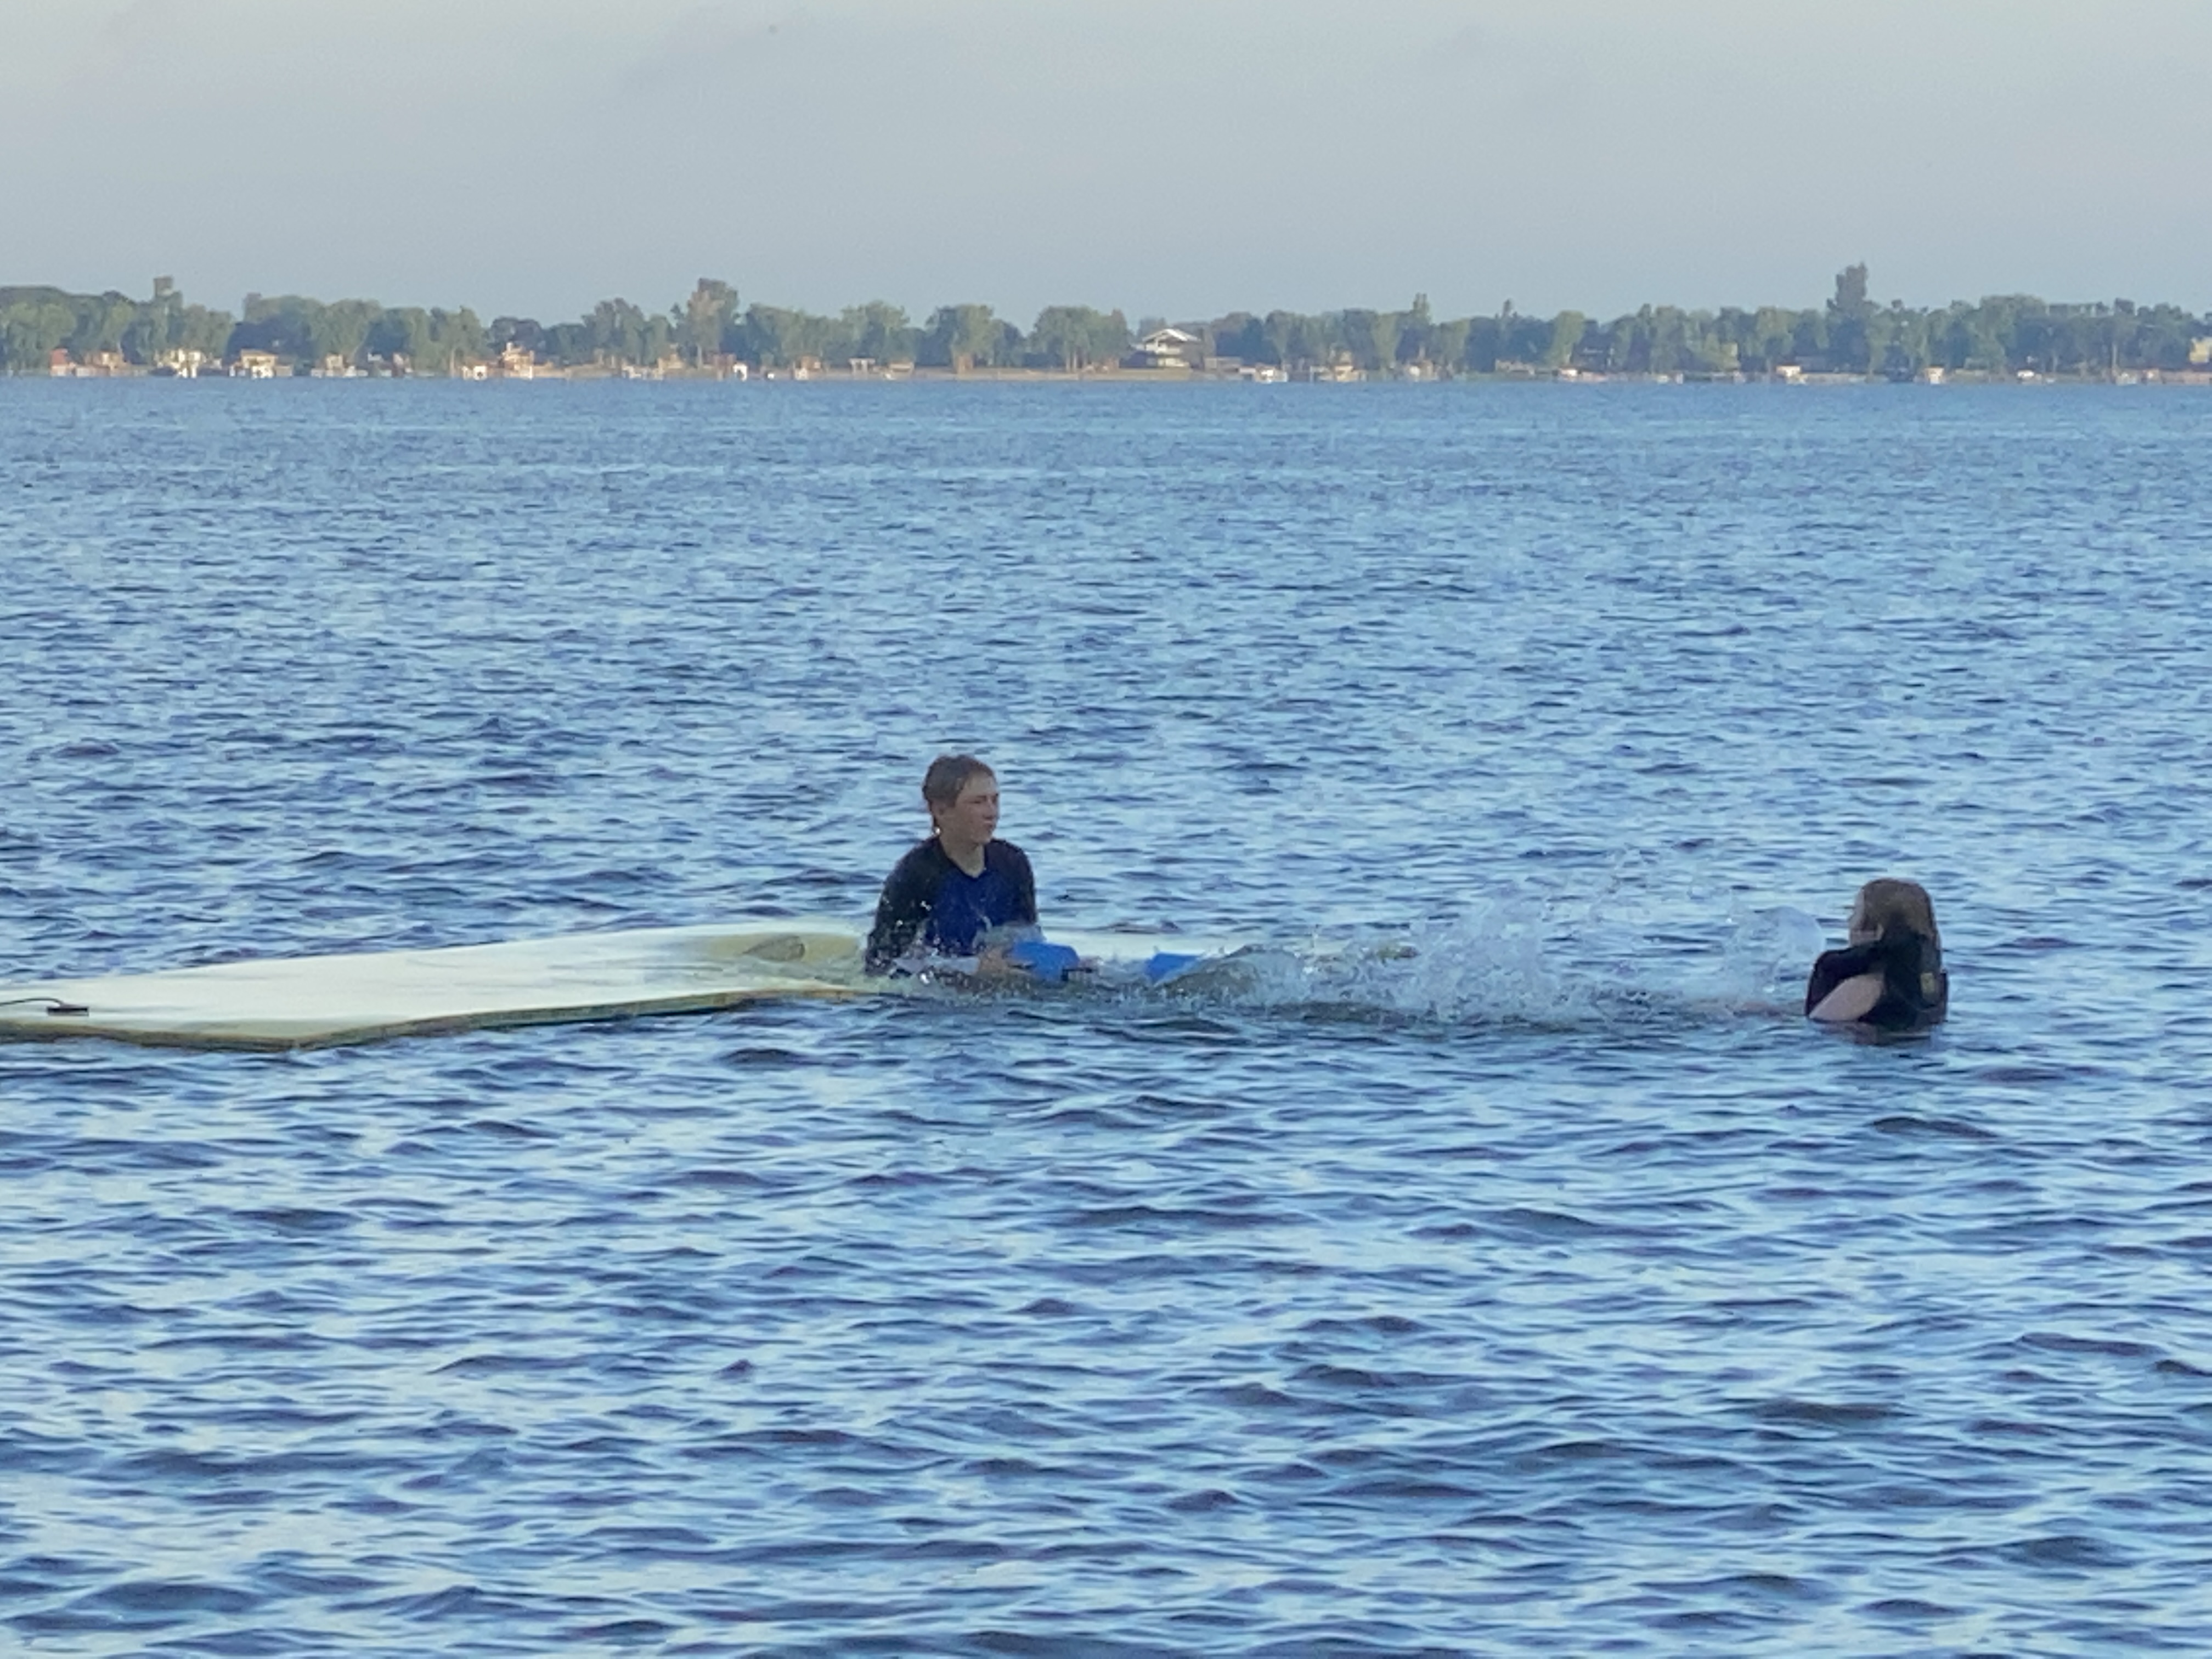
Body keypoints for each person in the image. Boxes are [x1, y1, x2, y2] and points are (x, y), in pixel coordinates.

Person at [865, 755, 1039, 974]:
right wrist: (972, 968)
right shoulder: (915, 875)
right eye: (978, 802)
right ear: (940, 811)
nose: (992, 813)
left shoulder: (1013, 863)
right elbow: (882, 963)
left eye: (995, 800)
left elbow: (1028, 936)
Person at [1804, 877, 1949, 1032]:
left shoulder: (1865, 987)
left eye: (1855, 913)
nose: (1849, 920)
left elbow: (1817, 1025)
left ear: (1879, 931)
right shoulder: (1929, 983)